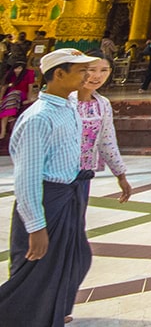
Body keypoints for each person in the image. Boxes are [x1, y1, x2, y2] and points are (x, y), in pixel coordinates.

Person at [0, 48, 93, 325]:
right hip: (46, 199)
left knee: (76, 258)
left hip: (66, 195)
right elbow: (27, 177)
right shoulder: (39, 117)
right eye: (81, 71)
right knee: (33, 270)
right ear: (59, 74)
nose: (87, 76)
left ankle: (52, 311)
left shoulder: (68, 108)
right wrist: (36, 226)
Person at [74, 57, 133, 203]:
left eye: (103, 70)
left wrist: (121, 175)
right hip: (56, 174)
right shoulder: (65, 101)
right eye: (91, 70)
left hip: (84, 173)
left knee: (75, 222)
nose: (97, 76)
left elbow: (107, 140)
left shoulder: (102, 104)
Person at [0, 60, 38, 140]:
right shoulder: (10, 74)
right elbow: (4, 87)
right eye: (15, 68)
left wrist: (28, 99)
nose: (17, 70)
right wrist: (0, 98)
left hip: (22, 94)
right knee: (9, 101)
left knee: (14, 95)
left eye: (19, 68)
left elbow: (30, 87)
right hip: (10, 96)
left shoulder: (29, 73)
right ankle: (3, 129)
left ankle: (4, 130)